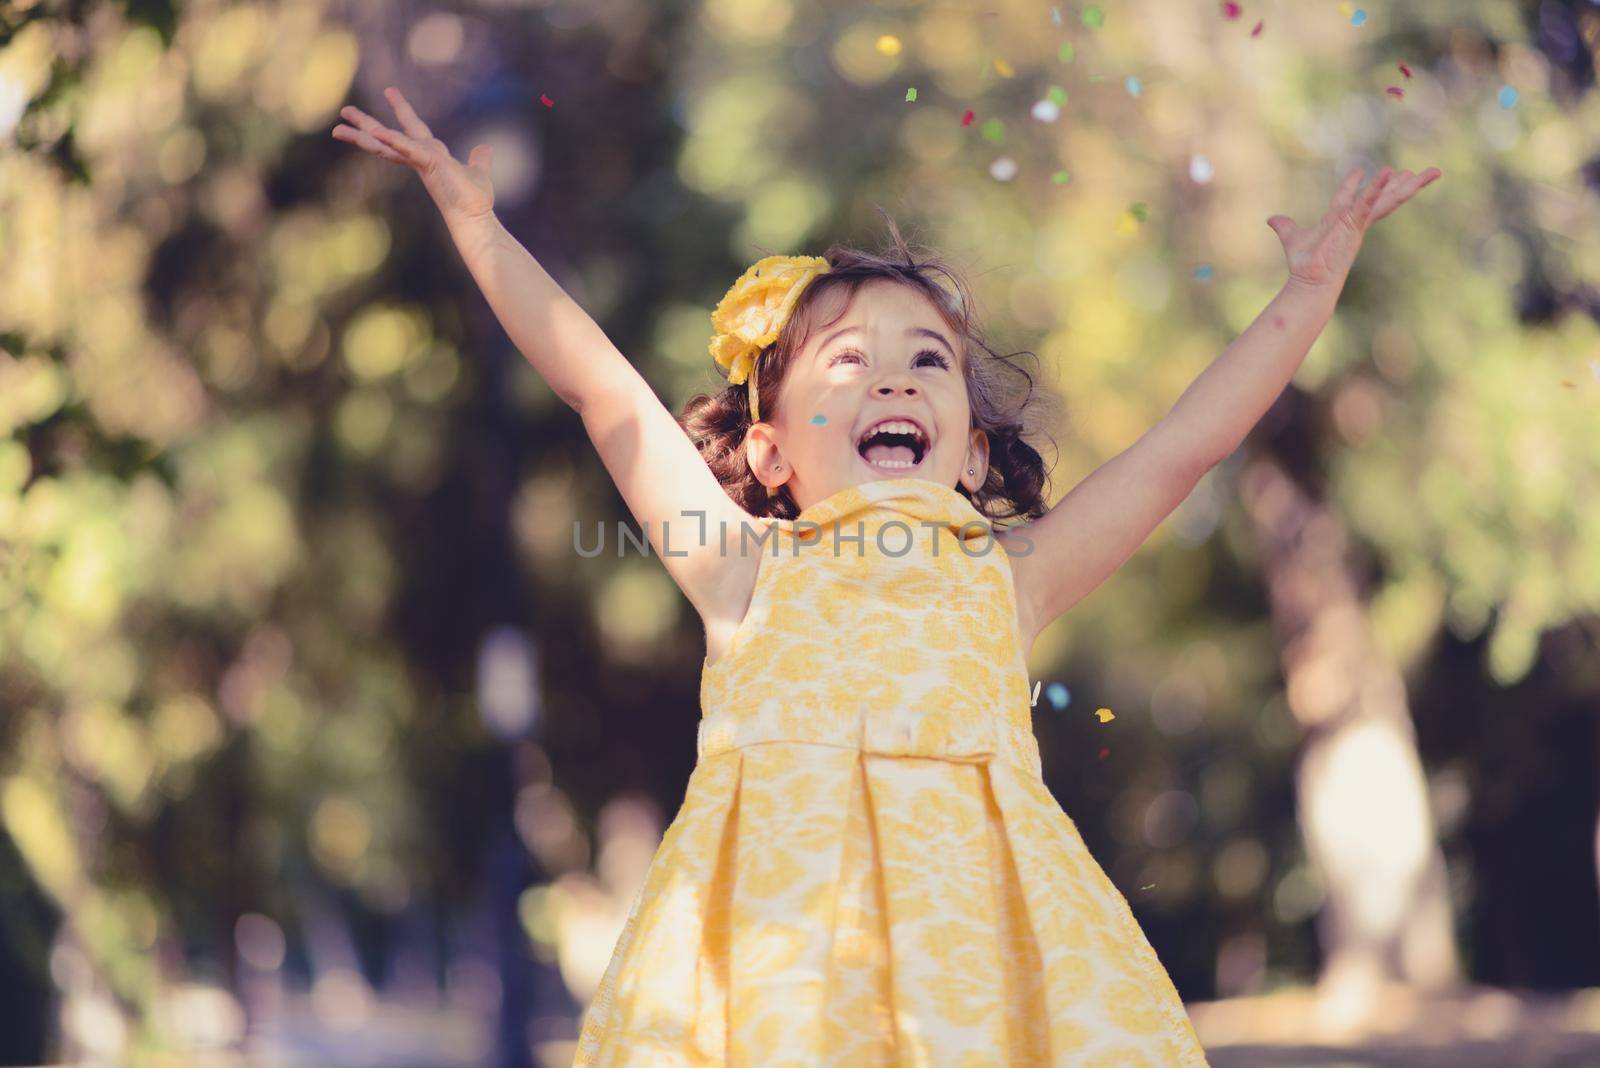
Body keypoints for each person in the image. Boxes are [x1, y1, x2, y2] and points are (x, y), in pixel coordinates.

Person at [333, 86, 1440, 1066]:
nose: (893, 380)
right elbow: (608, 397)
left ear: (968, 450)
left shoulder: (1015, 577)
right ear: (767, 453)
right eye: (846, 361)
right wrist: (478, 226)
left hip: (986, 975)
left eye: (927, 361)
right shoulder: (742, 570)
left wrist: (1307, 294)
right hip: (779, 980)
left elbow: (1186, 444)